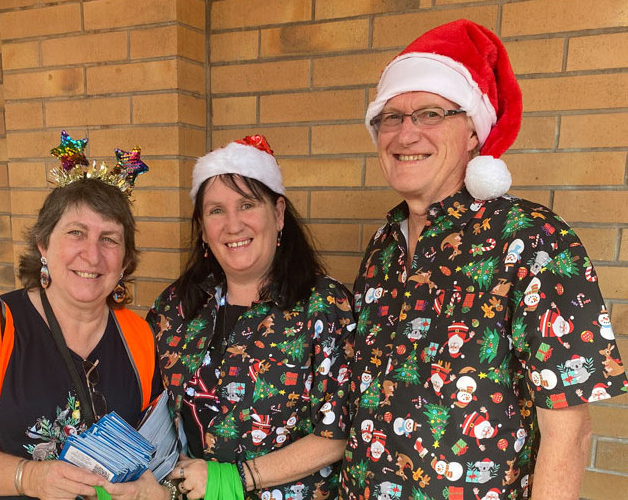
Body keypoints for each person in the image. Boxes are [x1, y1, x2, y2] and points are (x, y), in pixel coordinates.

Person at [340, 20, 627, 500]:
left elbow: (569, 432)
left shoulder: (534, 240)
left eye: (430, 114)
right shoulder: (383, 245)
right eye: (391, 117)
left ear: (474, 132)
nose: (406, 134)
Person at [0, 132, 174, 499]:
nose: (92, 254)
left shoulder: (141, 336)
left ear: (126, 260)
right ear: (43, 244)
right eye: (76, 233)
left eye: (110, 239)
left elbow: (152, 446)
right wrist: (31, 478)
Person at [145, 135, 356, 499]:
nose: (233, 225)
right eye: (215, 211)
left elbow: (336, 435)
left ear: (277, 214)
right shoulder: (175, 307)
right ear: (203, 229)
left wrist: (236, 479)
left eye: (247, 205)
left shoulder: (324, 305)